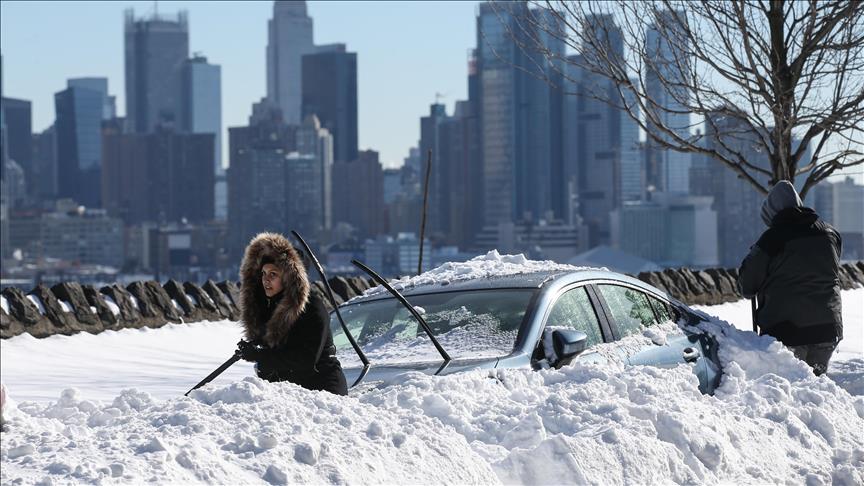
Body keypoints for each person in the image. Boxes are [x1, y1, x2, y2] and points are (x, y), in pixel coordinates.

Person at [738, 180, 843, 376]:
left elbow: (747, 285)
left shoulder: (772, 239)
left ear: (772, 214)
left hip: (787, 330)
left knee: (790, 389)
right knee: (817, 390)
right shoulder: (830, 234)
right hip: (828, 327)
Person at [236, 232, 348, 395]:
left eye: (273, 274)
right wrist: (255, 345)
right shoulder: (270, 308)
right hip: (290, 391)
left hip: (322, 390)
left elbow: (305, 359)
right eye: (263, 274)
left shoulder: (311, 308)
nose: (266, 280)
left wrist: (260, 356)